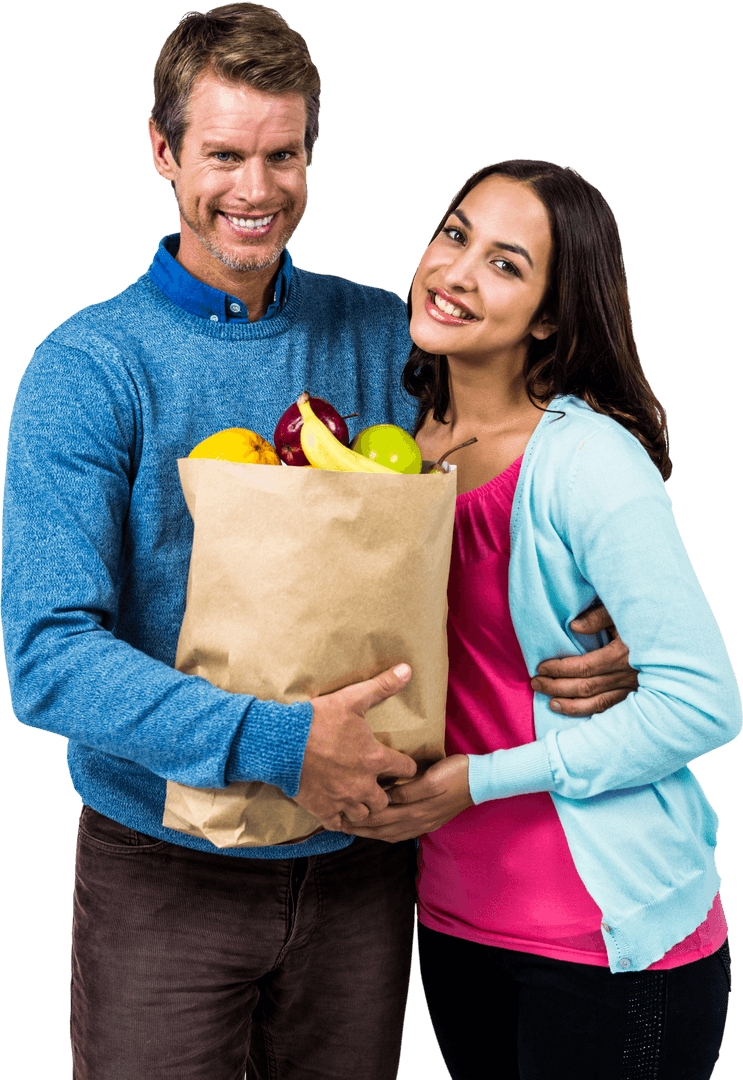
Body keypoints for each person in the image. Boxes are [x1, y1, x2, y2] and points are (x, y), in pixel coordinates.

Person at [1, 5, 636, 1076]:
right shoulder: (88, 368)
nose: (254, 190)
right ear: (162, 151)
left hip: (364, 869)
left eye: (282, 155)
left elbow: (535, 456)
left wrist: (596, 600)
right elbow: (46, 657)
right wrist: (285, 746)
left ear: (309, 155)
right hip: (165, 874)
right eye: (223, 155)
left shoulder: (385, 333)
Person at [338, 160, 742, 1078]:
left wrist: (477, 780)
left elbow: (704, 703)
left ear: (552, 317)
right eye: (453, 234)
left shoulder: (588, 461)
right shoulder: (397, 449)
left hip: (605, 941)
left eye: (505, 264)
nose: (457, 271)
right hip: (454, 921)